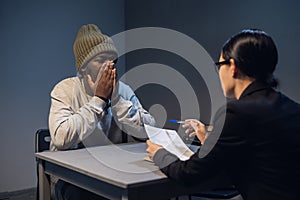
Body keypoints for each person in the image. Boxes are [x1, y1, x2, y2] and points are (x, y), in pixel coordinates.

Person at [146, 29, 300, 200]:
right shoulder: (291, 108)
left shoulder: (237, 112)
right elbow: (259, 155)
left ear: (232, 67)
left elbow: (189, 173)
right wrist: (210, 140)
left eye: (219, 66)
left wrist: (160, 153)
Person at [48, 24, 155, 200]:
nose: (109, 66)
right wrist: (99, 100)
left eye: (113, 60)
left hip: (114, 170)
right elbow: (61, 139)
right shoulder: (64, 89)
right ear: (83, 68)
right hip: (72, 175)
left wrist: (116, 100)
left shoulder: (124, 90)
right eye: (101, 60)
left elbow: (149, 129)